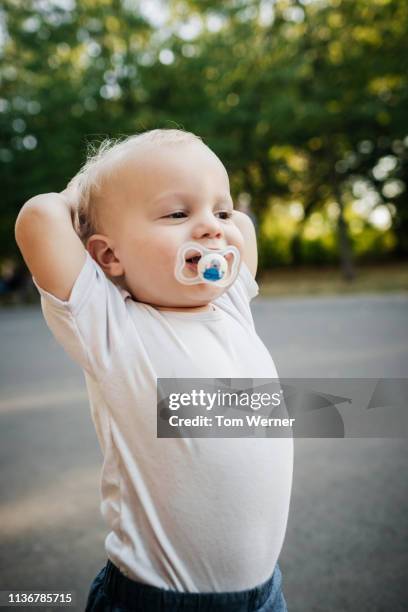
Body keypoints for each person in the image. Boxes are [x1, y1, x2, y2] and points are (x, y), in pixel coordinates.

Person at [15, 128, 293, 612]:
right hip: (157, 601)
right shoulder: (111, 329)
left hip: (266, 594)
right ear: (108, 255)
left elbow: (243, 227)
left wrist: (209, 210)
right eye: (177, 213)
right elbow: (39, 217)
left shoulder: (229, 303)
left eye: (218, 211)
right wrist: (87, 191)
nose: (212, 228)